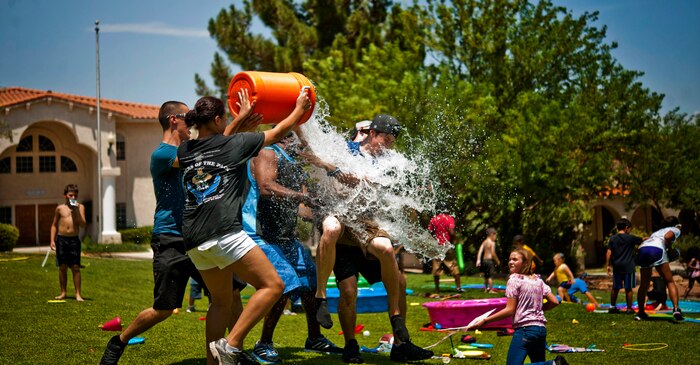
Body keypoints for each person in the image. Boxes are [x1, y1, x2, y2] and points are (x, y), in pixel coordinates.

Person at [100, 96, 255, 365]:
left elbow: (216, 150)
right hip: (170, 237)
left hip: (198, 235)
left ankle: (234, 350)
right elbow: (214, 150)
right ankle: (119, 342)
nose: (193, 121)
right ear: (174, 120)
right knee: (163, 308)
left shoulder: (189, 147)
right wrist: (239, 120)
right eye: (188, 117)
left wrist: (237, 125)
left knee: (230, 293)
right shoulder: (162, 154)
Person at [178, 91, 310, 365]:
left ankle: (212, 361)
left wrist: (238, 119)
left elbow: (218, 140)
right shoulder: (234, 144)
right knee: (274, 286)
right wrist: (298, 110)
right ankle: (232, 344)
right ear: (217, 120)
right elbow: (278, 133)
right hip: (224, 232)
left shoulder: (186, 150)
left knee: (220, 302)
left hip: (193, 240)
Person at [298, 115, 433, 362]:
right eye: (385, 139)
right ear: (370, 133)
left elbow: (367, 182)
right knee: (348, 292)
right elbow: (313, 148)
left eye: (392, 141)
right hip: (342, 232)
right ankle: (348, 341)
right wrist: (297, 121)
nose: (388, 146)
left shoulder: (387, 161)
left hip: (365, 227)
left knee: (395, 269)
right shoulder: (345, 150)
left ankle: (400, 338)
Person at [243, 132, 342, 363]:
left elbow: (302, 208)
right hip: (261, 235)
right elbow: (266, 187)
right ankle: (264, 343)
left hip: (287, 238)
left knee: (310, 282)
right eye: (301, 142)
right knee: (283, 285)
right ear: (288, 139)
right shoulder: (267, 152)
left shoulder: (293, 163)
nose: (305, 147)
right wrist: (302, 197)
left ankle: (314, 339)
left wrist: (324, 213)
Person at [467, 249, 567, 365]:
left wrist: (485, 320)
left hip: (525, 330)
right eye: (510, 259)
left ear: (525, 263)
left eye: (515, 259)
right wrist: (537, 309)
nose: (510, 262)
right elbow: (554, 301)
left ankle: (553, 364)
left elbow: (510, 310)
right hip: (540, 330)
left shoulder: (514, 280)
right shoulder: (538, 281)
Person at [636, 216, 684, 321]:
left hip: (643, 249)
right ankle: (676, 309)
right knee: (669, 281)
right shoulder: (675, 229)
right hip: (656, 249)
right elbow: (667, 237)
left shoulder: (657, 232)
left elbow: (650, 240)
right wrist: (670, 249)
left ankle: (640, 313)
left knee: (644, 284)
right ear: (676, 224)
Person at [50, 184, 87, 301]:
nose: (73, 197)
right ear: (65, 195)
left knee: (76, 268)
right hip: (61, 240)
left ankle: (78, 294)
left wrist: (76, 210)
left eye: (75, 195)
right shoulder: (60, 208)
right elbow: (54, 225)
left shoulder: (80, 207)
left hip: (74, 240)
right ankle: (63, 293)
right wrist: (52, 240)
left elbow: (83, 224)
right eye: (71, 195)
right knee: (62, 267)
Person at [606, 218, 642, 314]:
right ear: (627, 228)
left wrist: (607, 265)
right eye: (630, 229)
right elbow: (643, 240)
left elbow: (609, 252)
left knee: (615, 287)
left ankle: (612, 307)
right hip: (628, 266)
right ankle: (629, 309)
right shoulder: (631, 238)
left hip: (617, 266)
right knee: (628, 288)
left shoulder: (613, 239)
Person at [428, 210, 462, 294]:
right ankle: (458, 288)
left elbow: (430, 232)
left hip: (437, 246)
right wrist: (453, 241)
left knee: (436, 268)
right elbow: (451, 232)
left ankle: (437, 289)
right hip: (447, 246)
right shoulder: (449, 218)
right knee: (453, 266)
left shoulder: (434, 219)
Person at [476, 227, 501, 293]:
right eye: (495, 235)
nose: (495, 237)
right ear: (491, 234)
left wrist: (478, 260)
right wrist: (497, 260)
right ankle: (490, 289)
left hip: (484, 260)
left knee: (486, 276)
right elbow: (493, 253)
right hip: (489, 261)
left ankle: (485, 289)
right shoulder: (492, 243)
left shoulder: (484, 242)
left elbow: (480, 251)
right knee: (490, 276)